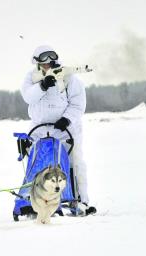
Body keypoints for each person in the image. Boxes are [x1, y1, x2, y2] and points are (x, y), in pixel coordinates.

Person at [20, 45, 96, 215]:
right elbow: (28, 97)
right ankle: (33, 200)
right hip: (39, 130)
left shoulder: (69, 77)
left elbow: (78, 103)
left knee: (74, 163)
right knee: (37, 165)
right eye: (43, 62)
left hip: (66, 130)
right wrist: (43, 86)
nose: (47, 65)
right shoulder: (31, 77)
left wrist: (66, 119)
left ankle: (81, 199)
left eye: (50, 61)